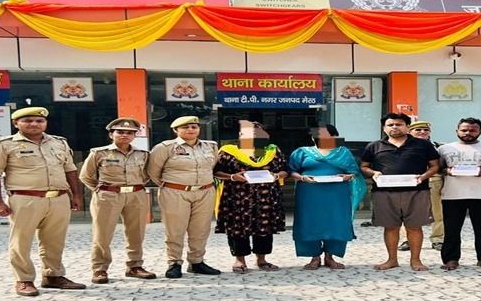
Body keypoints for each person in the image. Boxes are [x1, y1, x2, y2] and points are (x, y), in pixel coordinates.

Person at [0, 107, 86, 296]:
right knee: (21, 241)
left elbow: (70, 170)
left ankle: (53, 276)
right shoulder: (2, 145)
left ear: (45, 123)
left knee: (55, 241)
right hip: (24, 199)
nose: (34, 124)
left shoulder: (59, 143)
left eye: (39, 121)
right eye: (28, 120)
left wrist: (77, 195)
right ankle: (24, 280)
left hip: (58, 198)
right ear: (16, 123)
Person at [79, 117, 156, 284]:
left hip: (136, 194)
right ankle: (100, 269)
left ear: (134, 136)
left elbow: (147, 175)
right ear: (111, 134)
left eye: (130, 132)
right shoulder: (99, 153)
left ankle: (135, 266)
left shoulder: (143, 154)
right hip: (108, 196)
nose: (125, 135)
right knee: (103, 234)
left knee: (136, 233)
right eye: (120, 132)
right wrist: (99, 189)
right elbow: (85, 176)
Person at [360, 112, 440, 271]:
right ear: (384, 128)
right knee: (390, 227)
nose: (394, 127)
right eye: (390, 125)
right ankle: (392, 260)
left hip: (417, 191)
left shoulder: (422, 145)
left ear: (407, 127)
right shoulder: (374, 146)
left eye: (399, 124)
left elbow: (435, 166)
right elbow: (364, 166)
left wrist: (423, 177)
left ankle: (416, 261)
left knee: (415, 227)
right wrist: (374, 173)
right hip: (384, 193)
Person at [147, 116, 221, 279]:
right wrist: (172, 185)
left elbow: (212, 166)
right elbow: (153, 171)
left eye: (194, 127)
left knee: (201, 230)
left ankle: (196, 262)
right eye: (185, 127)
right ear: (176, 130)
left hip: (205, 192)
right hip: (175, 192)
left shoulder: (210, 146)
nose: (190, 130)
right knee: (175, 230)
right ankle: (174, 263)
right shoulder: (165, 147)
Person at [288, 125, 366, 270]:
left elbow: (354, 172)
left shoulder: (343, 152)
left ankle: (330, 257)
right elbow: (291, 171)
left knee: (336, 222)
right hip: (309, 193)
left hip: (337, 193)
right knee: (309, 222)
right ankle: (314, 257)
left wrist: (348, 176)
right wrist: (302, 177)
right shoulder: (301, 152)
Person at [214, 120, 288, 274]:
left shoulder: (272, 151)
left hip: (266, 197)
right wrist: (232, 176)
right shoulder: (228, 151)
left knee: (264, 227)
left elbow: (285, 170)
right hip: (237, 197)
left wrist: (276, 175)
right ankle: (239, 260)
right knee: (237, 228)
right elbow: (216, 172)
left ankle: (262, 259)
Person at [437, 118, 481, 271]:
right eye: (464, 130)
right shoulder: (444, 148)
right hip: (452, 194)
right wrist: (448, 170)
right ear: (457, 131)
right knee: (451, 229)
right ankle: (451, 259)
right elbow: (438, 168)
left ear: (480, 131)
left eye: (473, 130)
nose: (468, 133)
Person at [398, 120, 445, 252]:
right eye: (418, 130)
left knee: (437, 212)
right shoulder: (401, 145)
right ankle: (407, 239)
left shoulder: (438, 147)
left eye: (425, 130)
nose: (422, 132)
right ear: (409, 131)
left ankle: (438, 239)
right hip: (410, 182)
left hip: (433, 181)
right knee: (407, 212)